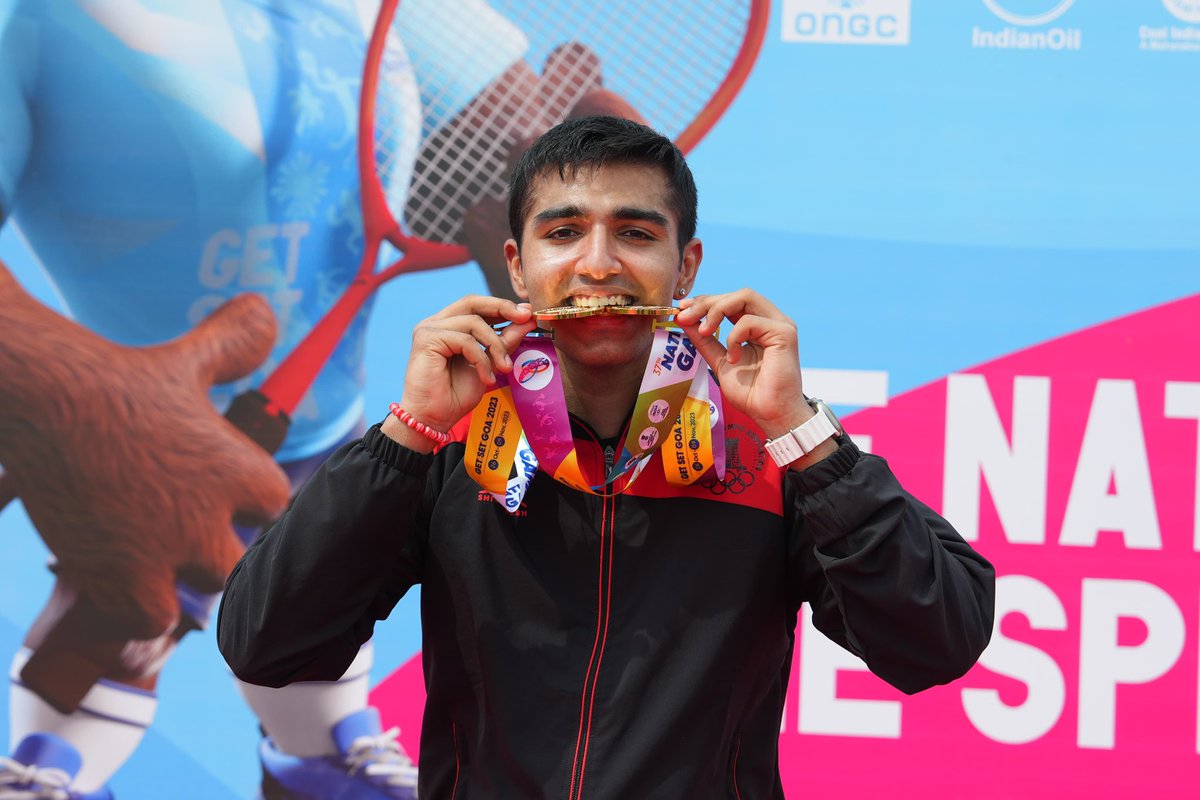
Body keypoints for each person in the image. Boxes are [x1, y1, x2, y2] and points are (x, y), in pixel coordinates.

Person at [217, 115, 997, 798]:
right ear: (518, 267)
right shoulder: (450, 447)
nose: (598, 265)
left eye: (635, 232)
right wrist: (407, 432)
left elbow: (937, 643)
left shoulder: (764, 455)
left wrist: (801, 432)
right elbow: (266, 643)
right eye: (563, 234)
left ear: (685, 267)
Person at [0, 2, 620, 797]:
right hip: (127, 445)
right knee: (116, 625)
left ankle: (322, 752)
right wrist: (73, 395)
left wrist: (571, 243)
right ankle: (49, 762)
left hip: (318, 434)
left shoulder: (404, 16)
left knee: (312, 633)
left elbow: (506, 178)